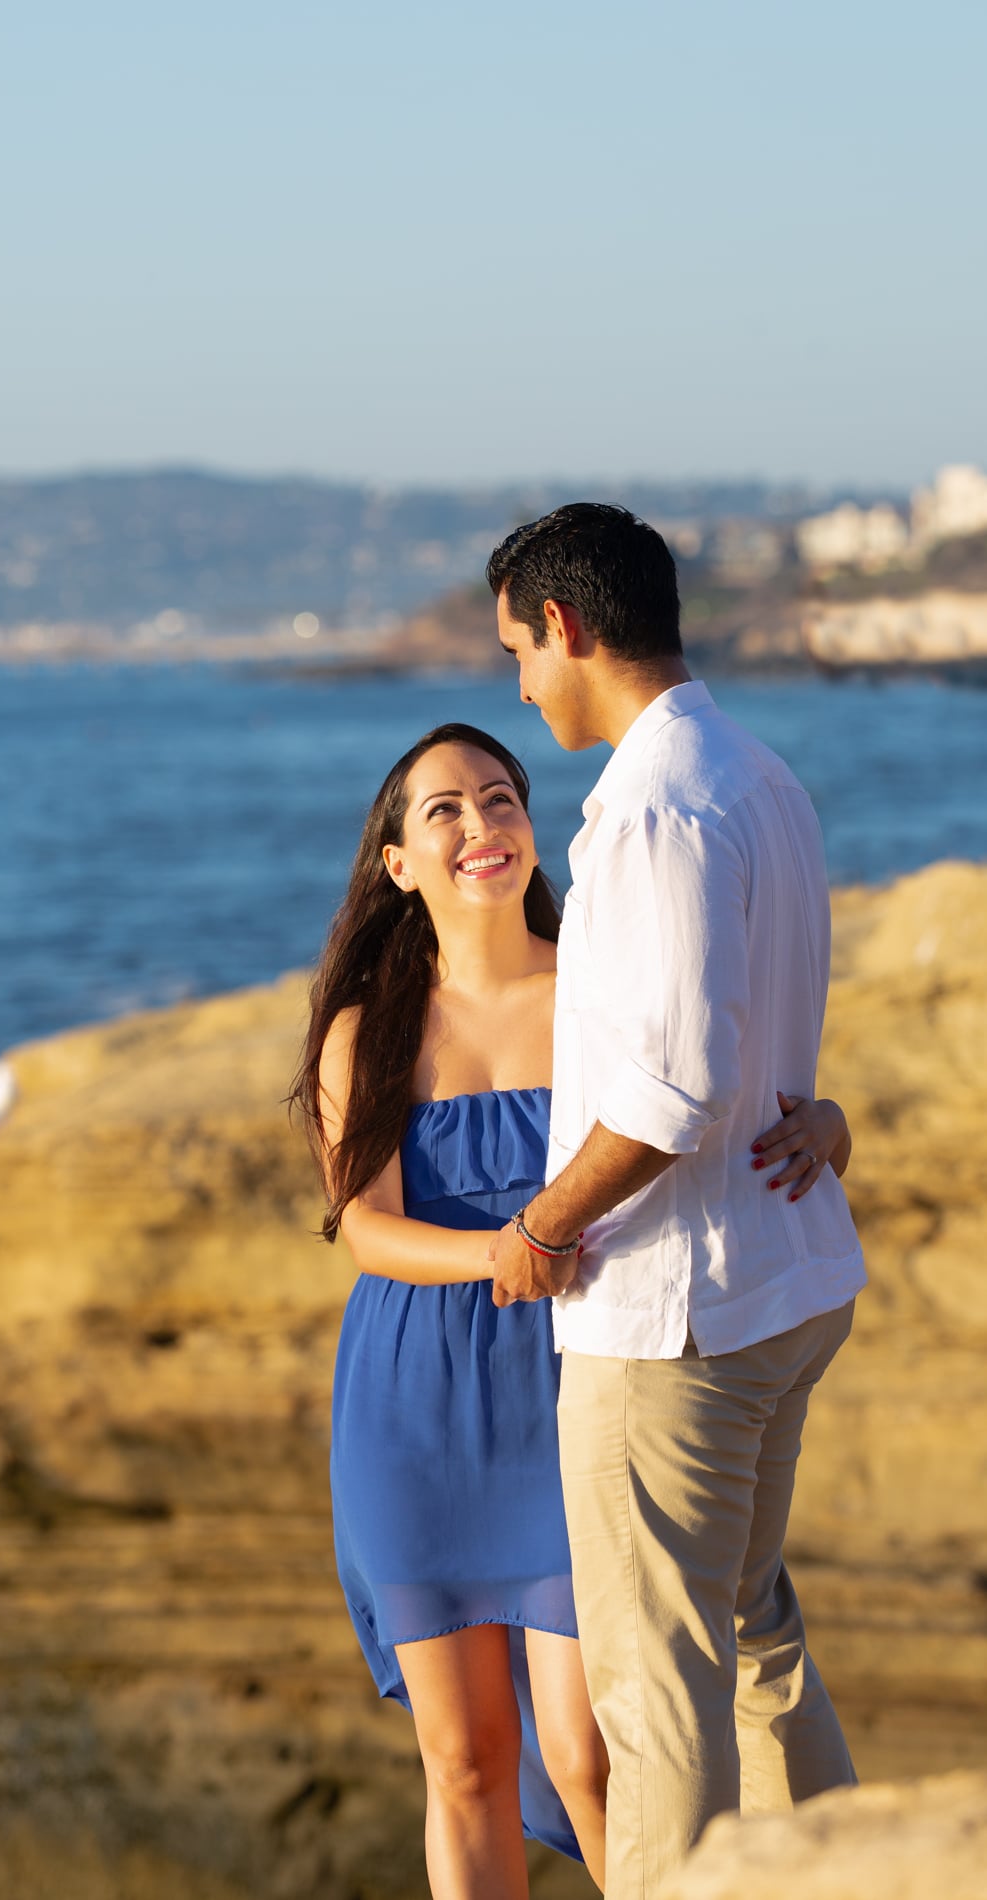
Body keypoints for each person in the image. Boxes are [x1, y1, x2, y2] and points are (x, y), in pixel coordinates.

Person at [291, 720, 852, 1900]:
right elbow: (363, 1227)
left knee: (589, 1751)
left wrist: (829, 1123)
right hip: (417, 1400)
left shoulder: (590, 988)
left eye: (499, 799)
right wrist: (505, 1247)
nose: (479, 825)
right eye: (441, 810)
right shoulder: (367, 1030)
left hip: (574, 1378)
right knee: (463, 1760)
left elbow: (709, 1086)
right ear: (396, 860)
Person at [485, 503, 867, 1900]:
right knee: (753, 1637)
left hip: (673, 1324)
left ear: (567, 629)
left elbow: (672, 1091)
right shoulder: (758, 774)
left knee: (656, 1697)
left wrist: (539, 1228)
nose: (518, 685)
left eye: (517, 651)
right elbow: (756, 1057)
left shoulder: (649, 809)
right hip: (775, 1288)